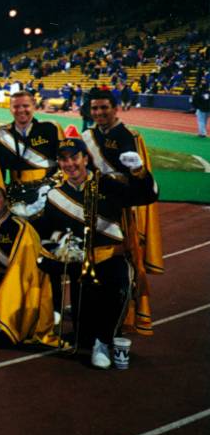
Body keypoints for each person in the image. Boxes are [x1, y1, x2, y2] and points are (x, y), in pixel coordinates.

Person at [34, 138, 158, 367]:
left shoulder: (107, 184)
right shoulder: (54, 195)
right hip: (78, 262)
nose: (70, 164)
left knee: (118, 290)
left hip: (111, 256)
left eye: (74, 157)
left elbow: (146, 196)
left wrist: (137, 171)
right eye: (64, 159)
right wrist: (59, 247)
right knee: (83, 332)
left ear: (85, 158)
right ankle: (91, 337)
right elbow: (49, 232)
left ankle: (104, 341)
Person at [82, 89, 164, 330]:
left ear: (115, 108)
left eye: (104, 108)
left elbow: (143, 182)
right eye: (95, 108)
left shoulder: (131, 135)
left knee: (124, 260)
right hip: (97, 206)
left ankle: (128, 313)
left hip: (124, 209)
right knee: (92, 258)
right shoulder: (88, 135)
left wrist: (137, 172)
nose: (99, 113)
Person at [0, 186, 56, 346]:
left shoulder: (20, 225)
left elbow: (29, 261)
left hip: (23, 278)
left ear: (6, 201)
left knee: (4, 335)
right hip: (2, 275)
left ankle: (9, 324)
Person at [0, 90, 61, 185]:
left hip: (47, 186)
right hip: (16, 190)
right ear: (10, 109)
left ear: (34, 106)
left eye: (25, 106)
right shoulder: (1, 134)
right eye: (16, 106)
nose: (21, 110)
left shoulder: (50, 128)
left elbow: (63, 159)